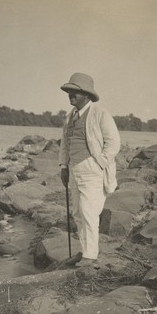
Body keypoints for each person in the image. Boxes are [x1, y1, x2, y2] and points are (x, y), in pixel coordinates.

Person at [58, 73, 120, 265]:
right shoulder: (70, 117)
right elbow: (64, 144)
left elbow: (114, 142)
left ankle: (90, 256)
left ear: (86, 94)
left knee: (89, 211)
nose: (70, 94)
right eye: (69, 91)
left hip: (92, 169)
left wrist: (99, 162)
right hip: (74, 168)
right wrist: (63, 166)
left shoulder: (100, 114)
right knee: (77, 212)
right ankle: (85, 250)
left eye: (74, 91)